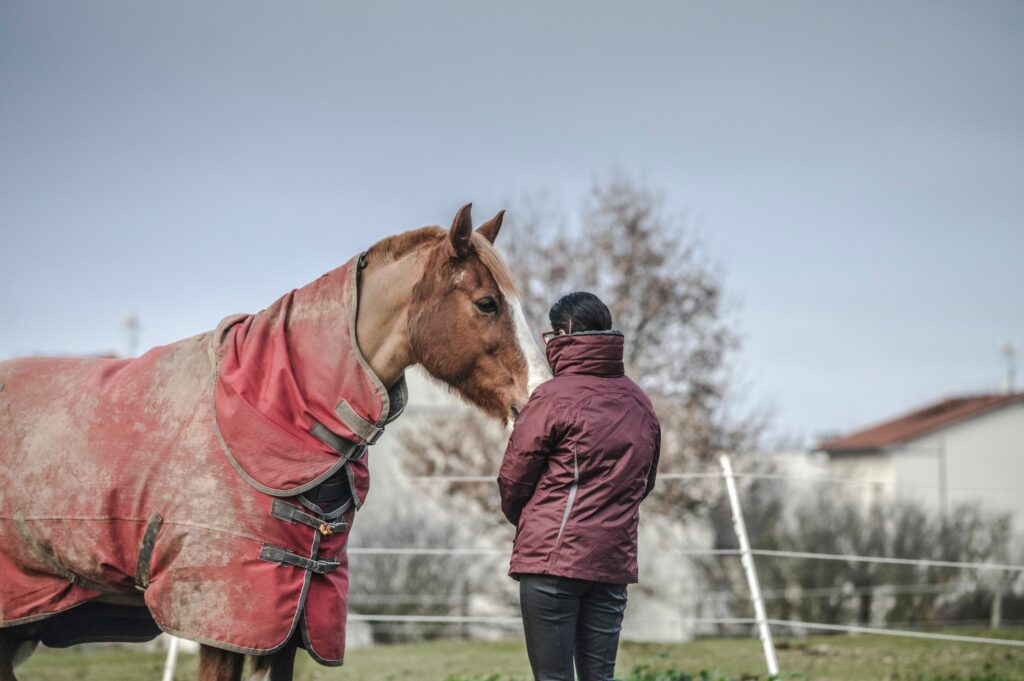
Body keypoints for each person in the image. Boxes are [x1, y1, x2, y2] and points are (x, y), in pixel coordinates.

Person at [497, 292, 661, 681]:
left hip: (551, 562)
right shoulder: (639, 402)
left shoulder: (553, 398)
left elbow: (514, 477)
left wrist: (533, 520)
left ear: (562, 335)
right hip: (610, 563)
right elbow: (645, 482)